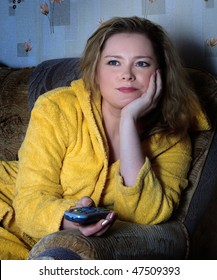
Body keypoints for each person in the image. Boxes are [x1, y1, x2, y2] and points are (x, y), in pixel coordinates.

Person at [0, 16, 210, 259]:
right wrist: (71, 220)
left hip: (47, 240)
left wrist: (129, 122)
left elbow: (147, 214)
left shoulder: (173, 134)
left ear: (160, 73)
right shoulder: (56, 108)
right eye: (113, 62)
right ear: (96, 71)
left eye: (141, 64)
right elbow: (29, 200)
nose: (127, 75)